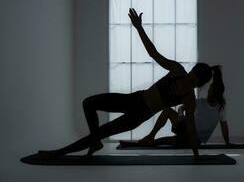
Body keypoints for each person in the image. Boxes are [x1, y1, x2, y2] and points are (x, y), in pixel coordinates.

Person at [39, 8, 224, 159]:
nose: (187, 82)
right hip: (134, 99)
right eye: (189, 76)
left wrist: (196, 154)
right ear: (189, 72)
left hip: (138, 115)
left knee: (102, 131)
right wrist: (139, 28)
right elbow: (153, 53)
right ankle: (95, 142)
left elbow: (191, 129)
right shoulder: (177, 70)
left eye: (192, 83)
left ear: (197, 85)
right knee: (88, 103)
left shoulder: (189, 100)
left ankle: (58, 153)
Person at [128, 77, 231, 147]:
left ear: (217, 94)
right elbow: (181, 107)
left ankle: (147, 141)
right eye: (209, 90)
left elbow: (224, 126)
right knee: (167, 110)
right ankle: (150, 136)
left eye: (211, 92)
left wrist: (228, 144)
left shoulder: (221, 108)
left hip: (193, 140)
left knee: (160, 141)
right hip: (184, 127)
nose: (208, 93)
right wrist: (181, 114)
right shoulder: (200, 102)